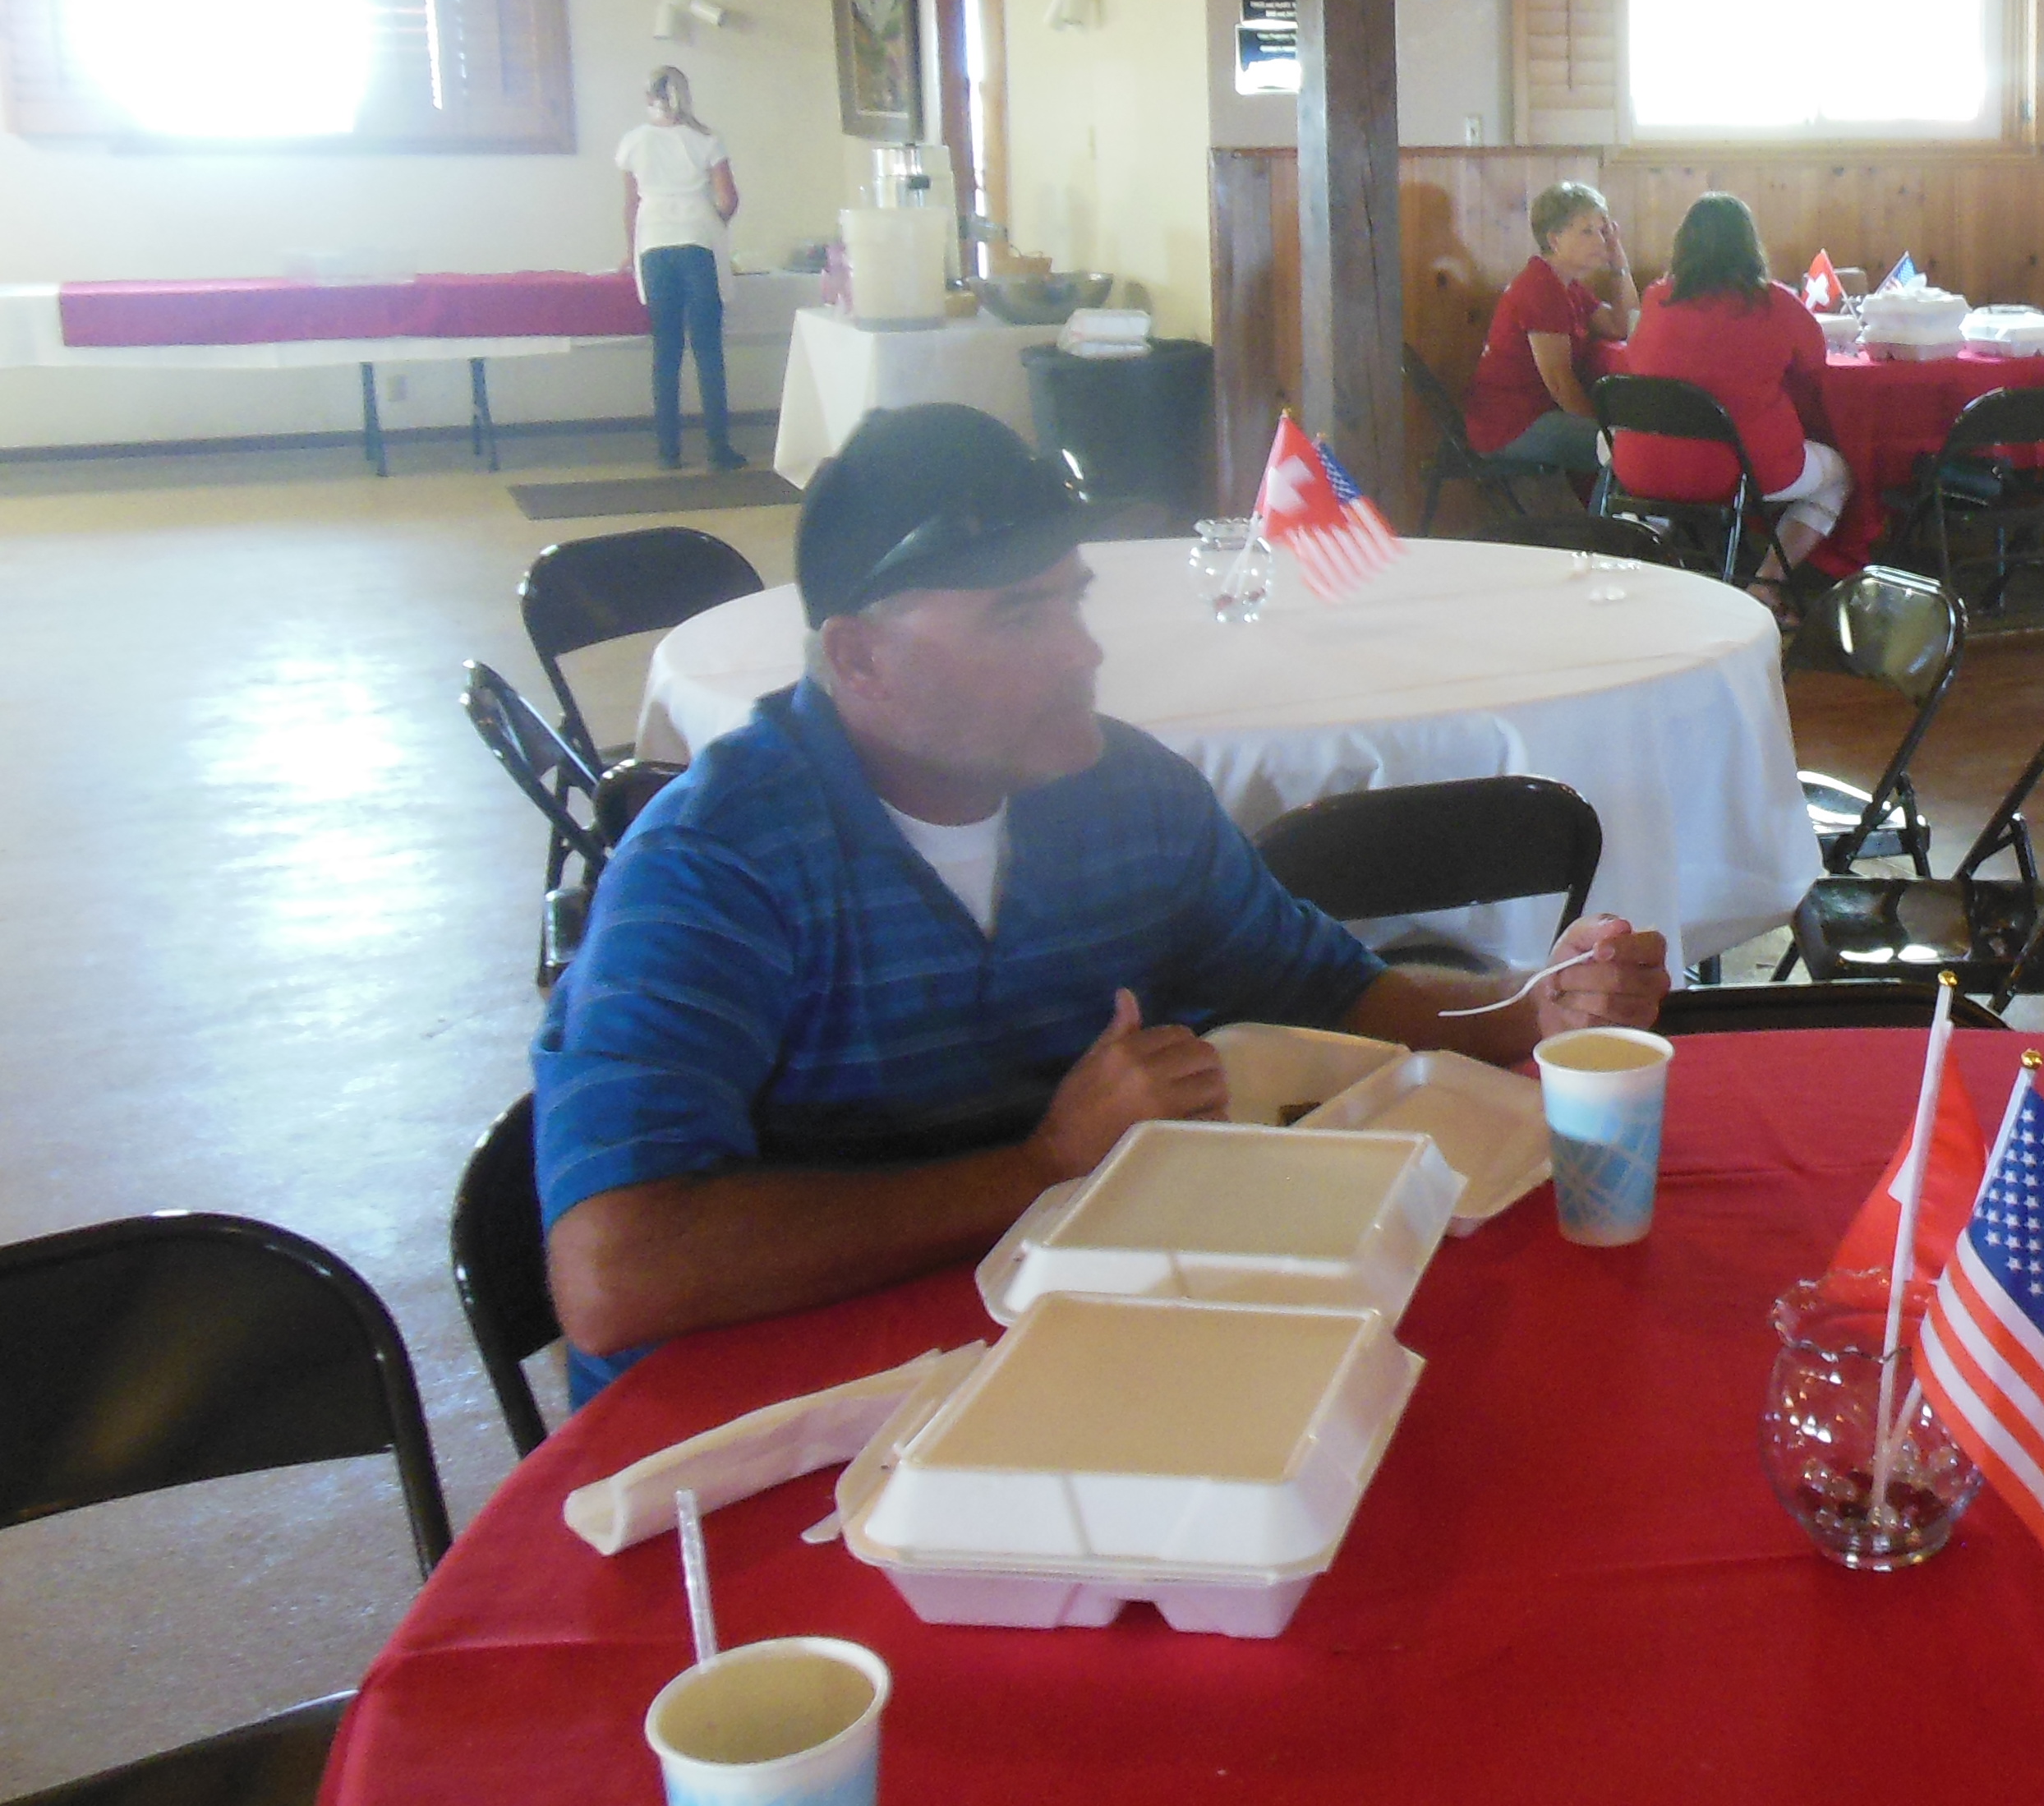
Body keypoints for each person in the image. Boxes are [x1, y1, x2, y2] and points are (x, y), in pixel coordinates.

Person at [532, 404, 1672, 1400]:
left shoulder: (1127, 797)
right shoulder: (715, 869)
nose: (1082, 652)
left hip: (1081, 1364)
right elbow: (616, 1272)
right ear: (860, 658)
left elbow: (1336, 995)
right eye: (1017, 618)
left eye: (1073, 602)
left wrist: (1531, 1007)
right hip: (772, 1421)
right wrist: (1040, 1168)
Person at [1615, 193, 1851, 580]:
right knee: (1838, 475)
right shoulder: (1775, 302)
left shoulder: (1657, 298)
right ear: (1749, 245)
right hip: (1744, 469)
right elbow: (1814, 364)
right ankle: (1768, 581)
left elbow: (1636, 361)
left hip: (1643, 466)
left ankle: (1646, 555)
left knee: (1644, 471)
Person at [1463, 181, 1636, 483]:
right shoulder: (1540, 288)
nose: (1601, 240)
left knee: (1629, 443)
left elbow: (1622, 326)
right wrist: (1602, 430)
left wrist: (1619, 262)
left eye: (1603, 230)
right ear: (1555, 239)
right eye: (1587, 231)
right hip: (1510, 425)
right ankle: (1607, 516)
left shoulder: (1567, 285)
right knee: (1628, 449)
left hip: (1537, 414)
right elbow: (1560, 384)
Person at [619, 67, 743, 472]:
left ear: (648, 97)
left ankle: (668, 451)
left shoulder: (633, 142)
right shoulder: (706, 139)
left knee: (666, 348)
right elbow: (728, 199)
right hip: (698, 242)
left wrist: (629, 251)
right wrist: (712, 224)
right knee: (707, 348)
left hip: (654, 243)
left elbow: (631, 206)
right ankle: (718, 448)